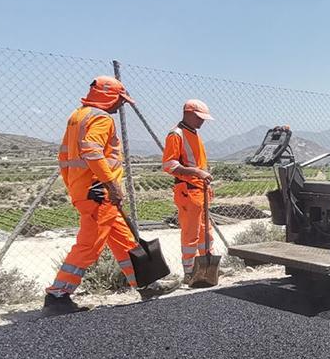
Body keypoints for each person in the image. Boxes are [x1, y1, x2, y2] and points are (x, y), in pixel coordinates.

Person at [44, 76, 154, 312]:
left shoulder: (77, 116)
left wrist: (75, 187)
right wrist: (111, 184)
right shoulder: (102, 118)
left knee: (125, 240)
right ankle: (57, 296)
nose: (120, 105)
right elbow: (92, 151)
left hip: (88, 190)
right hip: (99, 192)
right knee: (89, 245)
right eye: (119, 99)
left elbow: (64, 157)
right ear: (108, 96)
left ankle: (145, 284)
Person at [161, 99, 214, 281]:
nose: (202, 121)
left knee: (205, 231)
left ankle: (207, 267)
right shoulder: (176, 135)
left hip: (201, 190)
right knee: (191, 232)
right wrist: (195, 172)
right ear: (188, 113)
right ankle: (189, 272)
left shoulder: (194, 133)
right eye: (199, 117)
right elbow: (169, 165)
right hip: (188, 191)